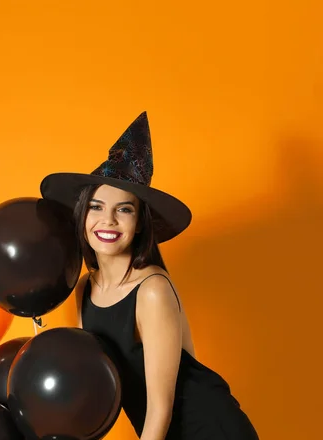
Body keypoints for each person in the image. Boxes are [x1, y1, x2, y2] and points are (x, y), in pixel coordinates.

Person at [40, 112, 259, 440]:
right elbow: (98, 381)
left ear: (140, 222)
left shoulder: (152, 290)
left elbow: (160, 407)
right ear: (82, 214)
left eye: (123, 209)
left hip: (208, 429)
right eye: (97, 207)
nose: (108, 220)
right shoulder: (85, 288)